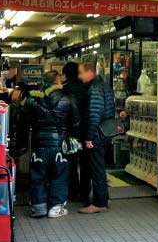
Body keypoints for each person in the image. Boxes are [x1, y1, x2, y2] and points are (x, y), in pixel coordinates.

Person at [22, 71, 79, 219]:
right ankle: (56, 207)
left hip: (39, 145)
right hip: (60, 145)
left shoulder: (32, 99)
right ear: (58, 82)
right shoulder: (68, 99)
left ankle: (39, 207)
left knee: (38, 176)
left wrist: (21, 145)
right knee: (60, 176)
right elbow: (76, 122)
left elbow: (23, 121)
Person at [78, 61, 115, 214]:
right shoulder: (104, 85)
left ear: (90, 72)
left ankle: (100, 203)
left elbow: (94, 114)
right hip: (105, 132)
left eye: (81, 72)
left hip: (97, 134)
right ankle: (103, 198)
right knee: (100, 167)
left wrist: (89, 137)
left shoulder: (95, 88)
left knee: (97, 168)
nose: (79, 76)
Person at [61, 62, 89, 203]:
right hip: (85, 130)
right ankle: (84, 193)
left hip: (70, 130)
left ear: (65, 74)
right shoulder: (86, 87)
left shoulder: (64, 90)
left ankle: (73, 192)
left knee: (70, 162)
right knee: (85, 162)